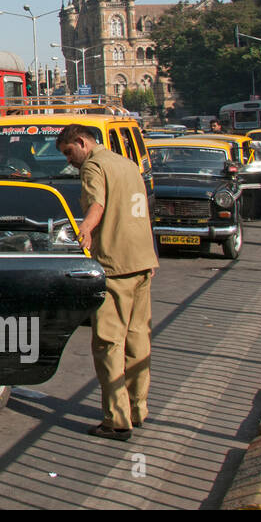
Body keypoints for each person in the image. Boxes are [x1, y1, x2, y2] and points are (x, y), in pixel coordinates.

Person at [57, 122, 158, 442]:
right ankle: (138, 407)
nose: (69, 161)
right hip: (142, 260)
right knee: (138, 336)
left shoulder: (93, 167)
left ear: (82, 142)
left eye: (69, 152)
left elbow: (97, 204)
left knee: (108, 343)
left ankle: (117, 418)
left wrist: (85, 228)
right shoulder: (128, 165)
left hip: (114, 265)